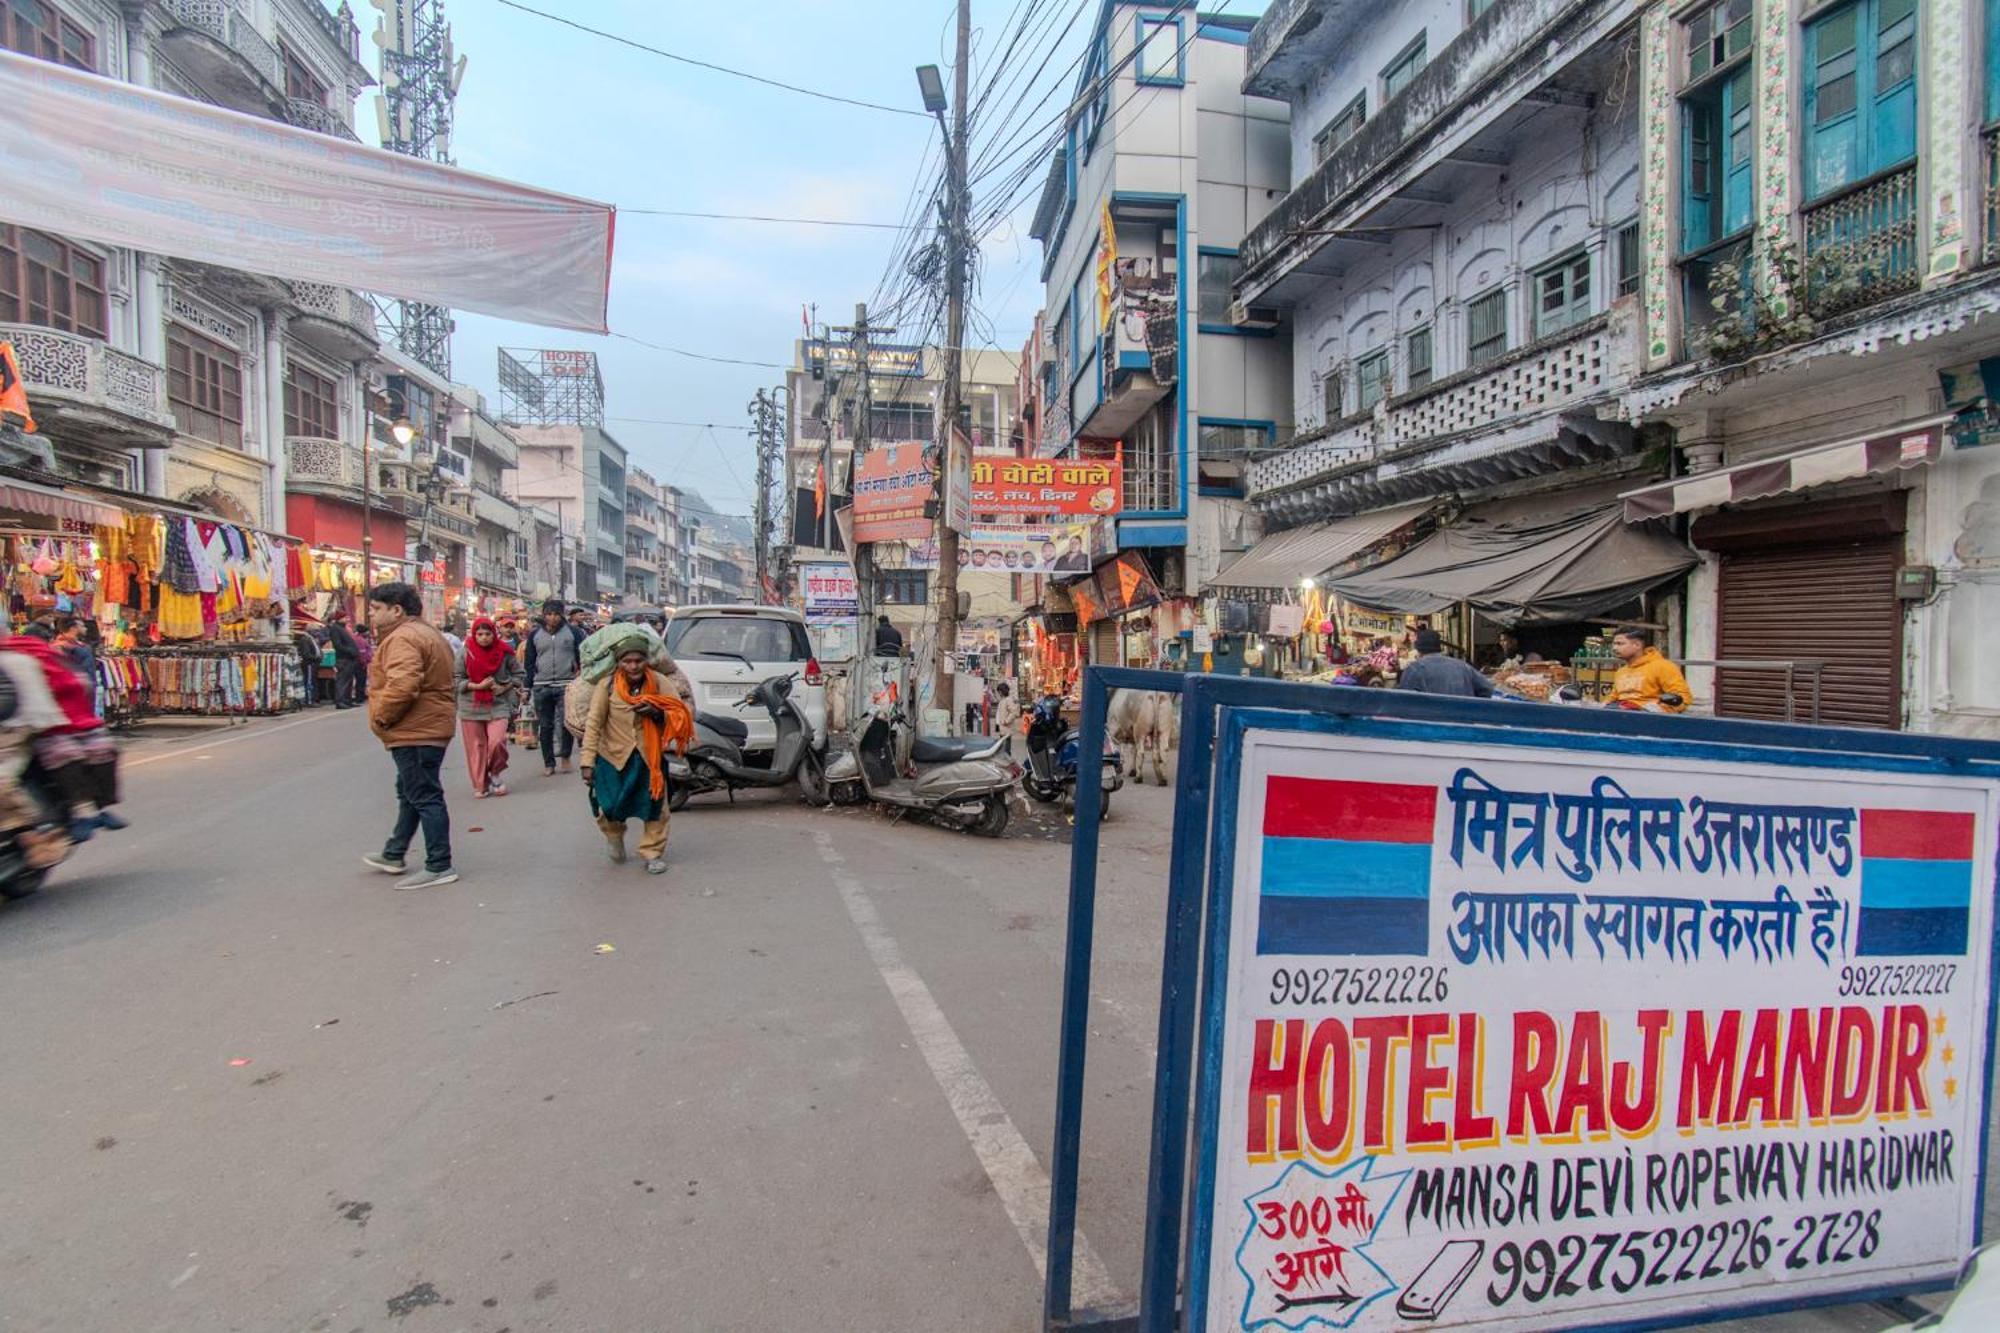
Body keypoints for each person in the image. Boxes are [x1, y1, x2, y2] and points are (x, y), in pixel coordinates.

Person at [360, 582, 459, 889]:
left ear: (397, 610)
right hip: (427, 727)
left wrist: (381, 717)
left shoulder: (403, 638)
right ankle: (395, 851)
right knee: (410, 792)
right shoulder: (428, 633)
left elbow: (402, 686)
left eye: (376, 609)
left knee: (424, 795)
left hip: (416, 730)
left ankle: (439, 864)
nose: (372, 616)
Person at [580, 640, 694, 875]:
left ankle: (652, 853)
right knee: (608, 806)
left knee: (655, 807)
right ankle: (614, 836)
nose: (633, 666)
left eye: (638, 661)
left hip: (648, 757)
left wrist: (657, 713)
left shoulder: (659, 683)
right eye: (627, 661)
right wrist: (586, 762)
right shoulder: (607, 685)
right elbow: (593, 723)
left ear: (646, 661)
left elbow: (679, 714)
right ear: (619, 663)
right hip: (612, 755)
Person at [6, 622, 125, 840]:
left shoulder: (37, 658)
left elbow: (77, 684)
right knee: (66, 754)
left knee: (99, 750)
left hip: (42, 724)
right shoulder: (29, 658)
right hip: (36, 725)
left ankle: (95, 810)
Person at [522, 598, 586, 776]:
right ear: (544, 615)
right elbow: (529, 663)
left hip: (566, 685)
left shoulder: (573, 632)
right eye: (549, 614)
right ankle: (548, 762)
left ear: (562, 615)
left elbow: (582, 657)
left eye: (556, 614)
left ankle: (565, 756)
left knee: (566, 724)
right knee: (545, 725)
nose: (553, 618)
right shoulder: (534, 635)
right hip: (541, 686)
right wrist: (526, 688)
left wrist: (581, 676)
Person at [457, 616, 518, 798]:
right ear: (474, 635)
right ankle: (480, 783)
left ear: (494, 634)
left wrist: (504, 686)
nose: (483, 637)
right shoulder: (465, 652)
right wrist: (477, 686)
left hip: (497, 704)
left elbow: (518, 674)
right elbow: (456, 679)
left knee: (497, 741)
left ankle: (495, 772)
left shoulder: (505, 652)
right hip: (471, 706)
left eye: (487, 634)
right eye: (479, 634)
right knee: (476, 747)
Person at [1607, 625, 1692, 713]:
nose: (1614, 648)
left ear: (1637, 645)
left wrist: (1658, 709)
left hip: (1651, 719)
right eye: (1614, 644)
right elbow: (1613, 698)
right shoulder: (1621, 671)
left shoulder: (1663, 666)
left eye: (1620, 644)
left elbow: (1683, 698)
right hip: (1622, 715)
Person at [1395, 628, 1496, 698]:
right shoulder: (1463, 666)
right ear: (1440, 648)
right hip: (1464, 724)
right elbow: (1487, 689)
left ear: (1418, 650)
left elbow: (1404, 700)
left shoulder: (1414, 668)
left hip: (1430, 725)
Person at [328, 610, 364, 709]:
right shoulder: (335, 629)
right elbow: (338, 645)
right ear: (339, 618)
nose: (347, 619)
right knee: (342, 680)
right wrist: (350, 651)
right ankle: (340, 701)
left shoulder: (343, 628)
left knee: (349, 680)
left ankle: (347, 700)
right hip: (343, 659)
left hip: (349, 659)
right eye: (345, 617)